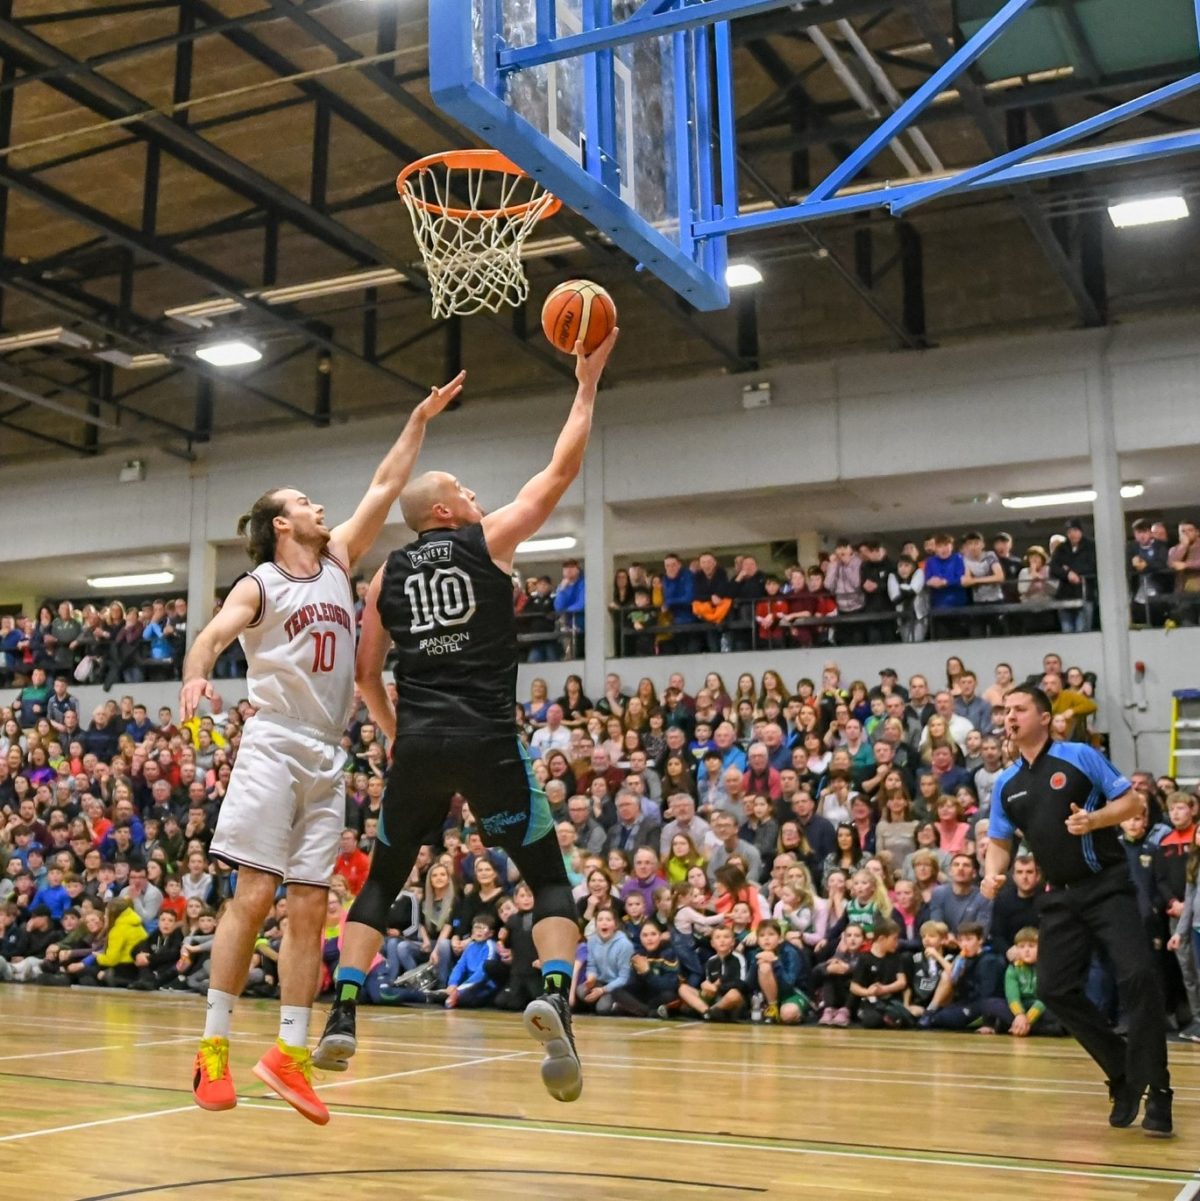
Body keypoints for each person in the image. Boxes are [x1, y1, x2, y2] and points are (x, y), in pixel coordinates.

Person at [313, 330, 617, 1104]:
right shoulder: (487, 544)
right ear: (448, 509)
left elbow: (365, 671)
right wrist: (584, 385)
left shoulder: (383, 576)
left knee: (382, 877)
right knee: (547, 875)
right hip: (488, 740)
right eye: (472, 491)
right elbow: (559, 473)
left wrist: (392, 729)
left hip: (418, 741)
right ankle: (554, 993)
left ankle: (342, 1008)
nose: (482, 498)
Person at [180, 368, 466, 1123]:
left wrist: (420, 417)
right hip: (273, 742)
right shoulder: (262, 583)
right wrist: (196, 674)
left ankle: (289, 1053)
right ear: (281, 523)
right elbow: (212, 633)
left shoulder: (340, 559)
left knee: (312, 903)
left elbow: (385, 481)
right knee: (254, 895)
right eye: (304, 501)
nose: (318, 506)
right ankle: (213, 1047)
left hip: (326, 749)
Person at [983, 685, 1172, 1136]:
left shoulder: (1079, 756)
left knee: (1139, 978)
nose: (1010, 717)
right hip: (1059, 898)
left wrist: (1095, 820)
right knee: (1054, 988)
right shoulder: (1006, 783)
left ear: (1045, 717)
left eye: (1019, 709)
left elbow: (1131, 802)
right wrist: (994, 872)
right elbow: (998, 840)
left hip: (1107, 888)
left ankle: (1159, 1091)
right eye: (1006, 711)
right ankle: (1123, 1072)